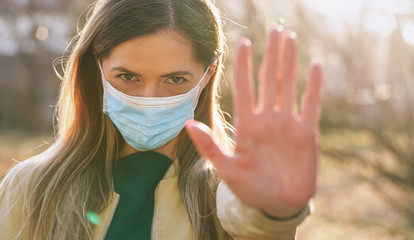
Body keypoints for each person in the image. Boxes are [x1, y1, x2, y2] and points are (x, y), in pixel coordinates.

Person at [0, 0, 323, 239]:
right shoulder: (32, 187)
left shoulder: (224, 192)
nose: (149, 99)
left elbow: (247, 219)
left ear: (207, 77)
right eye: (127, 76)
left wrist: (271, 212)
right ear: (94, 70)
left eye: (175, 80)